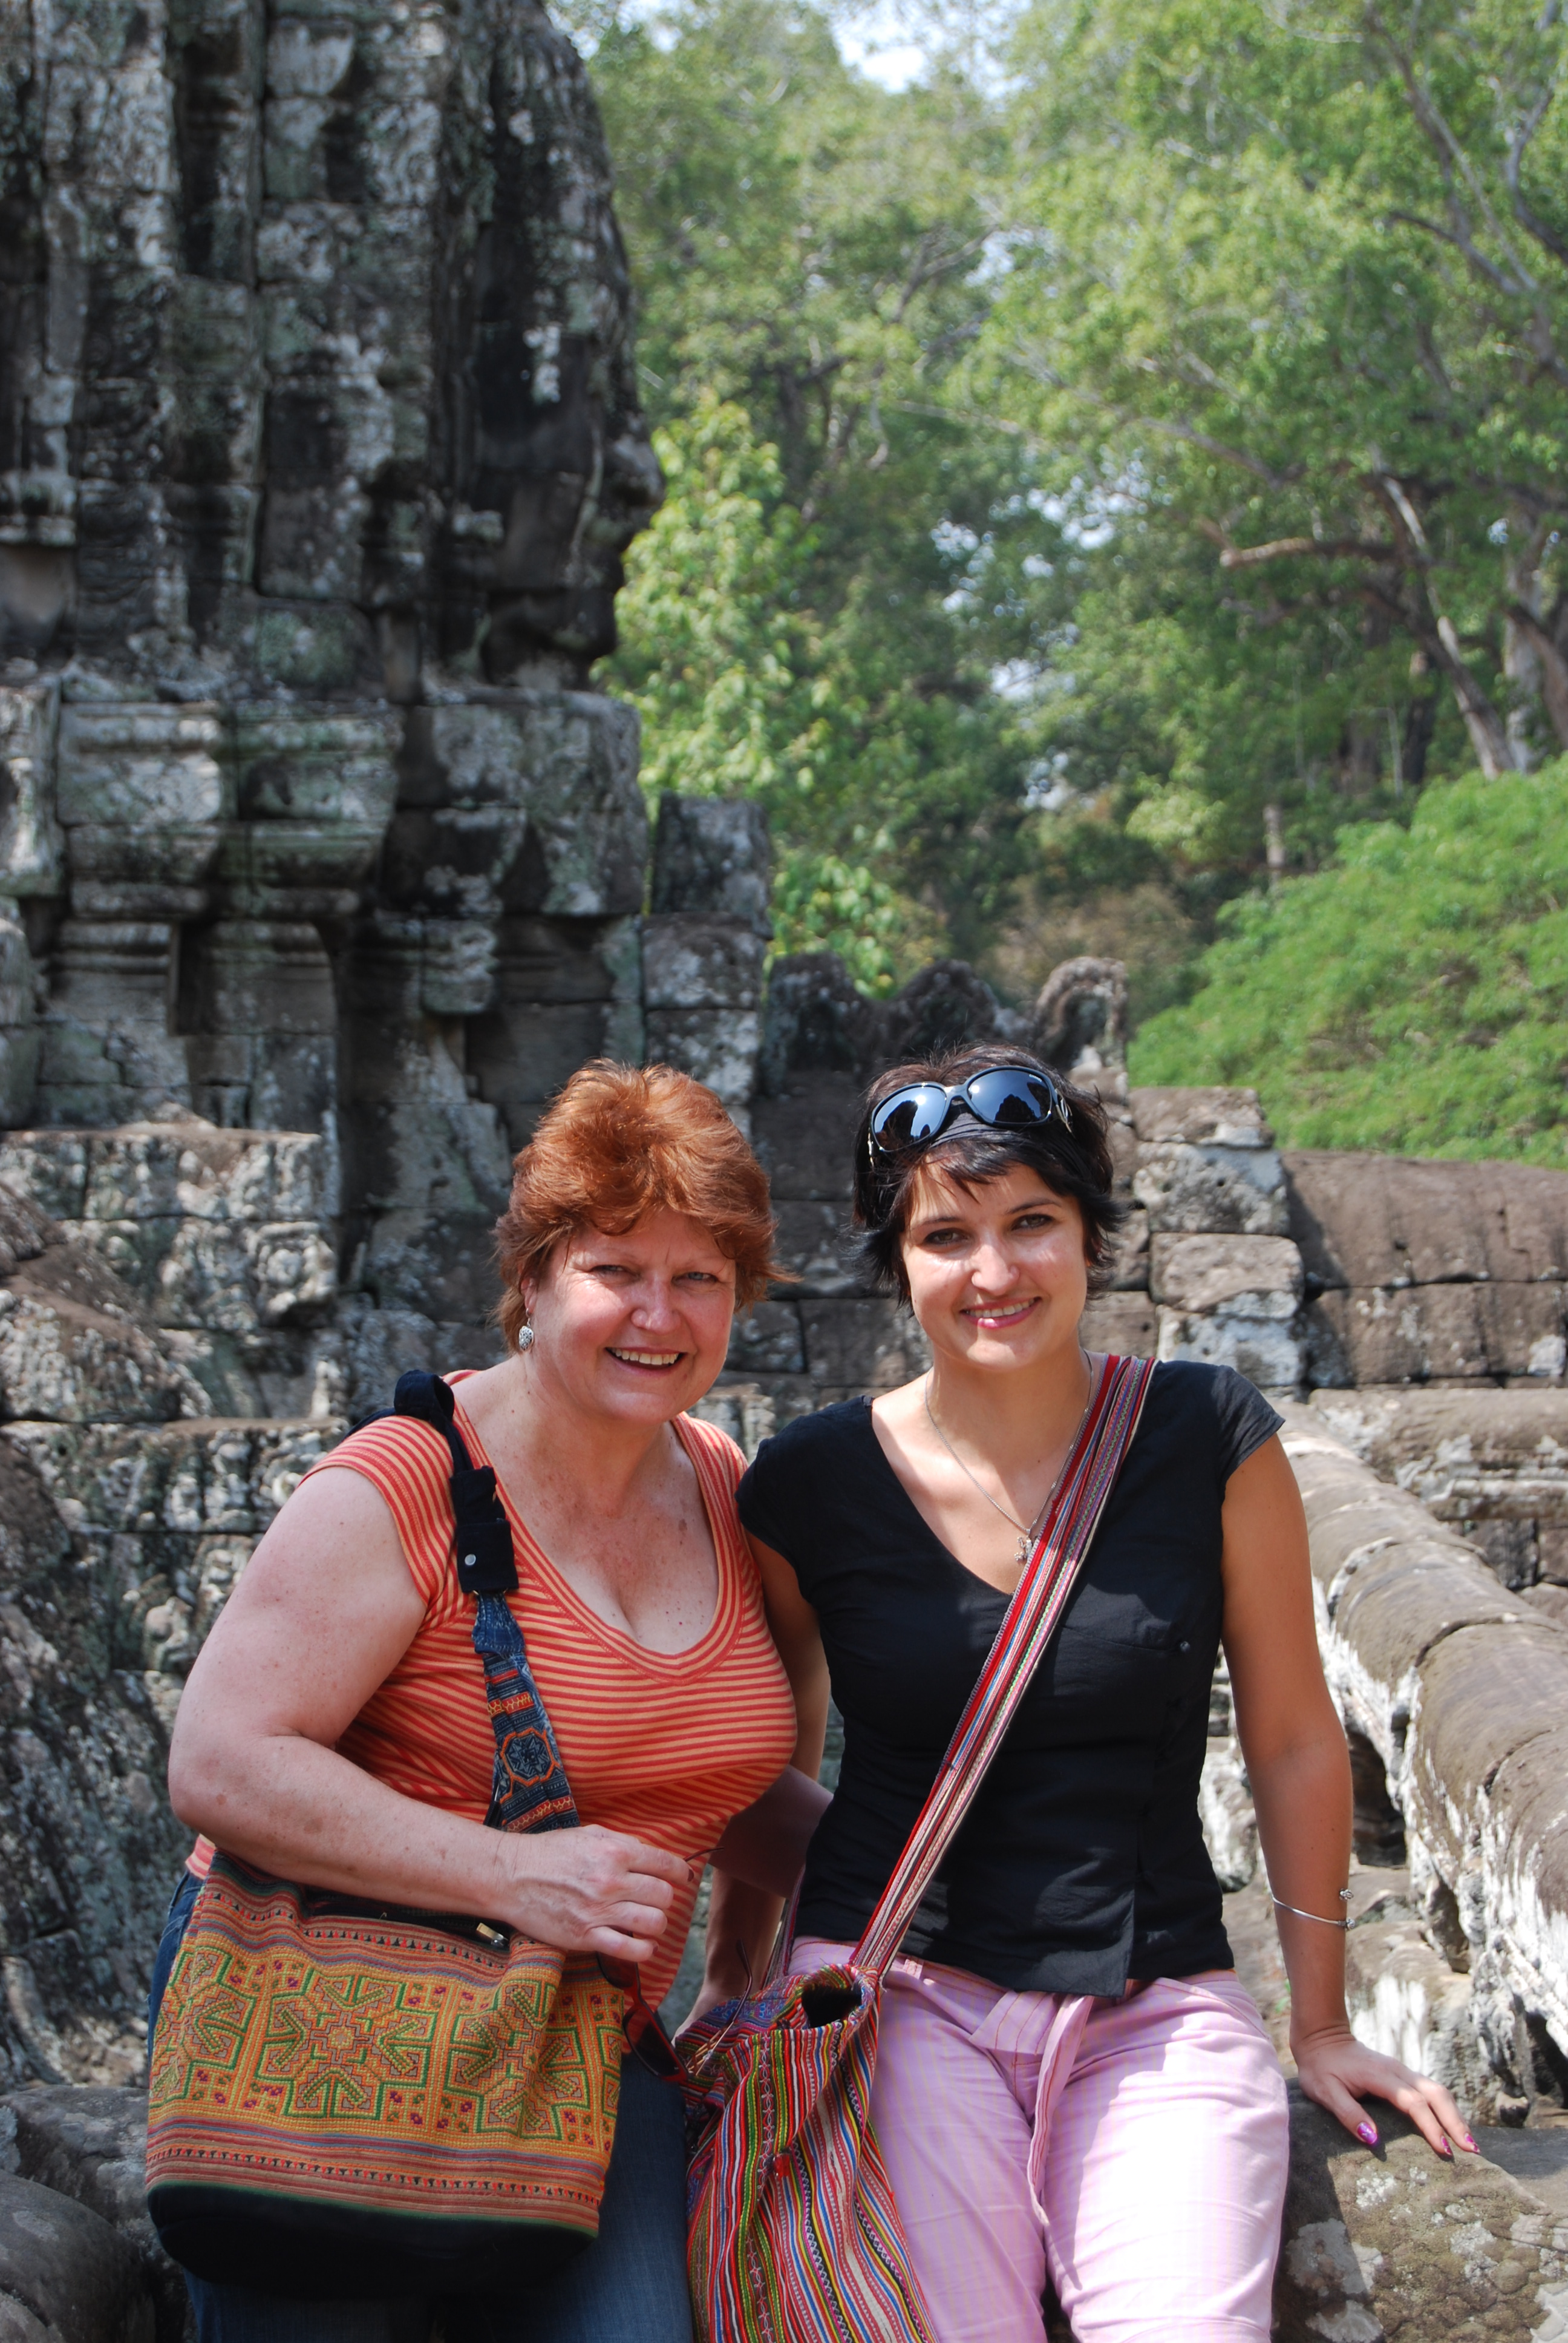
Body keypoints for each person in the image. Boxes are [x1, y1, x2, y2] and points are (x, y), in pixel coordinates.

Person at [707, 1042, 1474, 2343]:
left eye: (1032, 1225)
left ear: (1091, 1238)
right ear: (898, 1260)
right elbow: (765, 1753)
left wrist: (1325, 2018)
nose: (994, 1272)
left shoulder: (1206, 1439)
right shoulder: (808, 1483)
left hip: (1154, 2005)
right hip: (900, 1997)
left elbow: (1291, 1738)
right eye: (946, 1234)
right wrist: (734, 1983)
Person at [151, 1060, 825, 2343]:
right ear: (532, 1280)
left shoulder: (731, 1489)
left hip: (575, 2038)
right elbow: (222, 1759)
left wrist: (936, 1870)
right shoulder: (404, 1481)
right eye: (616, 1269)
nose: (658, 1313)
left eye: (701, 1277)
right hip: (331, 2032)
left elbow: (696, 1780)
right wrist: (516, 1879)